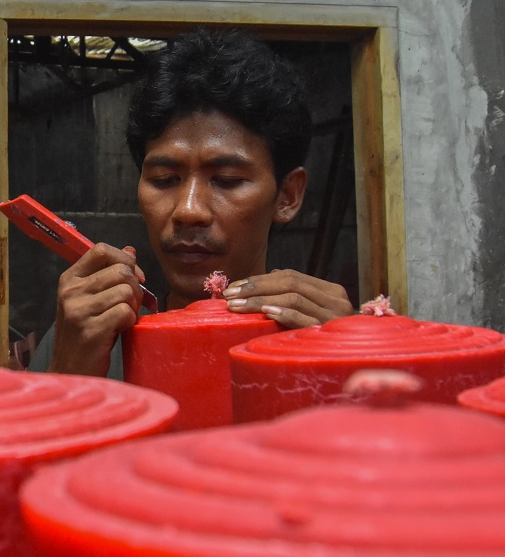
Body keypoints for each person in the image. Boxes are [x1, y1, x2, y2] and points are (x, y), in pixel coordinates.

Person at [39, 29, 354, 378]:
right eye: (164, 179)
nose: (188, 210)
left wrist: (353, 369)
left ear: (287, 196)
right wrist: (67, 372)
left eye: (227, 180)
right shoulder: (87, 338)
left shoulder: (326, 340)